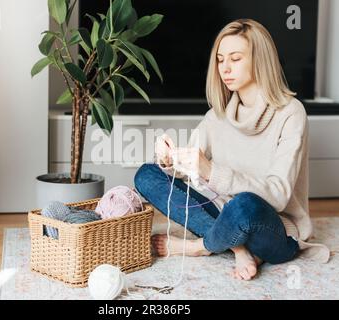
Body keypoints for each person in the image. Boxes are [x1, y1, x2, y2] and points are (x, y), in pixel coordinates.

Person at [134, 19, 330, 281]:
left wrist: (211, 170)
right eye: (220, 59)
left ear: (259, 60)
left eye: (235, 59)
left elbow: (279, 194)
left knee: (243, 204)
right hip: (225, 214)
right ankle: (238, 247)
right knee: (147, 174)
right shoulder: (216, 116)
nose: (224, 68)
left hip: (274, 230)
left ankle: (201, 248)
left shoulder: (291, 113)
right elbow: (187, 170)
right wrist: (169, 159)